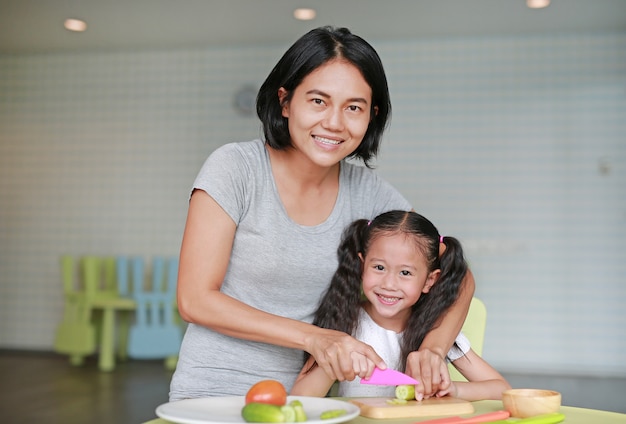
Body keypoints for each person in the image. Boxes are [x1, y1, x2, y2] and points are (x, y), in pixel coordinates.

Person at [169, 26, 475, 401]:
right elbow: (194, 299)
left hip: (307, 402)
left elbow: (457, 275)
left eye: (353, 108)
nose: (334, 122)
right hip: (214, 392)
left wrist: (432, 349)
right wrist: (318, 339)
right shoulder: (235, 168)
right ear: (285, 102)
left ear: (371, 116)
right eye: (318, 101)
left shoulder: (371, 194)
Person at [291, 210, 510, 401]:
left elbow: (502, 389)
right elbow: (300, 397)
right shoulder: (346, 323)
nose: (388, 284)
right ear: (361, 266)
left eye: (405, 273)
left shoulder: (435, 330)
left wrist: (453, 389)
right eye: (379, 267)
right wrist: (338, 362)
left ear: (429, 281)